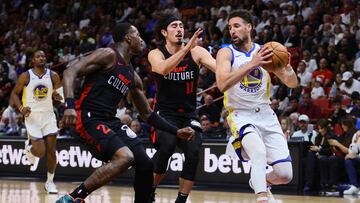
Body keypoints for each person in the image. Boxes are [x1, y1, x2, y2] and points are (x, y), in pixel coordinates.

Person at [56, 23, 195, 203]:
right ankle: (73, 198)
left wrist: (176, 131)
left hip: (110, 120)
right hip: (88, 117)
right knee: (125, 157)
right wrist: (69, 105)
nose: (142, 39)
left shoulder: (132, 75)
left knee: (145, 164)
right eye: (138, 34)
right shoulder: (108, 55)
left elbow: (148, 114)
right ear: (128, 38)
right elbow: (69, 72)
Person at [215, 10, 298, 203]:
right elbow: (222, 84)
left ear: (249, 27)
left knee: (285, 175)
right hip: (241, 115)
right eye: (229, 27)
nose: (232, 31)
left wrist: (288, 70)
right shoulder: (226, 52)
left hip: (266, 115)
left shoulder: (266, 51)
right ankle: (261, 198)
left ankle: (259, 181)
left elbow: (292, 83)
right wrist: (252, 64)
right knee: (258, 152)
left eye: (236, 26)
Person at [147, 14, 216, 203]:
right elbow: (162, 69)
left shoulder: (197, 52)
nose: (179, 29)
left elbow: (219, 68)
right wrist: (186, 48)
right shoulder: (156, 53)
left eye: (181, 26)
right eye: (174, 26)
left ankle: (181, 200)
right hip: (164, 114)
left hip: (188, 114)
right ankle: (150, 190)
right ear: (164, 32)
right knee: (167, 145)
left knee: (194, 151)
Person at [10, 50, 63, 194]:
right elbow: (14, 93)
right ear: (32, 60)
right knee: (40, 152)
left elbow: (61, 96)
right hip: (32, 117)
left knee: (52, 151)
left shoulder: (53, 76)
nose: (42, 58)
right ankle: (30, 149)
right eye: (38, 56)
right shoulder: (26, 76)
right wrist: (21, 108)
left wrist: (58, 97)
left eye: (43, 56)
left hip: (48, 116)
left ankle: (50, 182)